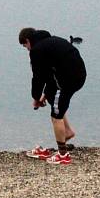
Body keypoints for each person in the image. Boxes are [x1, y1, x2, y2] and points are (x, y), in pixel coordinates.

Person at [18, 27, 87, 165]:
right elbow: (50, 74)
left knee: (56, 115)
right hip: (78, 75)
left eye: (25, 46)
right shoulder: (51, 41)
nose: (27, 49)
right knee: (52, 98)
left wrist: (36, 98)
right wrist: (45, 95)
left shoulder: (37, 50)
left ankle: (63, 155)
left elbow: (38, 78)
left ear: (27, 41)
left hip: (67, 80)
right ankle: (67, 132)